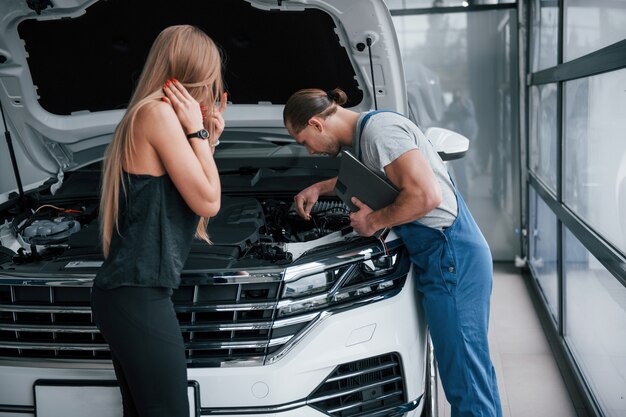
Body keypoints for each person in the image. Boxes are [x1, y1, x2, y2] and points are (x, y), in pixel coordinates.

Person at [283, 88, 502, 417]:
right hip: (443, 257)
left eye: (304, 142)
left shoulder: (379, 133)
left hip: (450, 256)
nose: (310, 150)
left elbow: (425, 196)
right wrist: (319, 187)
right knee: (465, 374)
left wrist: (372, 222)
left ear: (316, 124)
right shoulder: (367, 134)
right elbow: (374, 176)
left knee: (467, 382)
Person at [91, 25, 226, 417]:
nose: (213, 94)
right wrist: (199, 132)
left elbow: (196, 191)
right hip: (137, 293)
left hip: (133, 292)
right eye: (211, 82)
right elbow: (209, 202)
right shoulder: (156, 113)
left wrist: (207, 139)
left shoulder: (155, 116)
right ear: (193, 73)